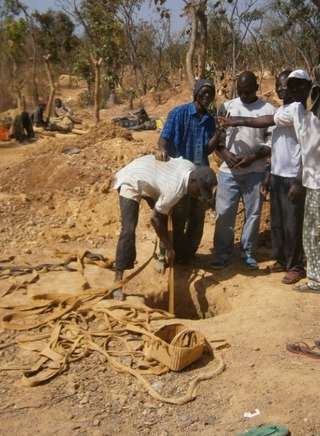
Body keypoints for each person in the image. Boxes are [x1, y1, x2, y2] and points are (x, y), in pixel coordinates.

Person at [218, 69, 320, 322]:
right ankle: (318, 281)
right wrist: (236, 122)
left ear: (310, 86)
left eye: (299, 86)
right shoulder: (296, 111)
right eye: (291, 87)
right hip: (310, 183)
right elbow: (266, 120)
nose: (294, 91)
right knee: (311, 236)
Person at [111, 155, 217, 300]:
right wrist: (169, 247)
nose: (198, 195)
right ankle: (118, 282)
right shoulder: (174, 190)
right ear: (193, 181)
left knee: (164, 214)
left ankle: (176, 257)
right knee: (128, 229)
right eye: (199, 190)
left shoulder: (191, 168)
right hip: (132, 179)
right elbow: (155, 218)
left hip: (152, 181)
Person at [154, 78, 223, 270]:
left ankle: (187, 256)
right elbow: (164, 137)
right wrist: (161, 150)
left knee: (196, 220)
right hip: (180, 177)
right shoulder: (179, 113)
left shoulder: (209, 119)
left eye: (211, 92)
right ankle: (164, 254)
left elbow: (208, 150)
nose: (207, 95)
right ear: (196, 91)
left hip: (200, 178)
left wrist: (218, 134)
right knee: (176, 217)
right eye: (204, 91)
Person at [211, 71, 275, 270]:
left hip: (255, 171)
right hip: (228, 172)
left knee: (253, 214)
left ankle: (247, 253)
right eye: (240, 91)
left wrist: (253, 158)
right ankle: (222, 252)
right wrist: (225, 154)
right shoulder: (227, 107)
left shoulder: (268, 109)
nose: (243, 95)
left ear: (257, 88)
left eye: (248, 92)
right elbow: (216, 137)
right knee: (223, 213)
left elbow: (272, 141)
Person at [261, 70, 306, 284]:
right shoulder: (282, 110)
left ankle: (296, 266)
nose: (280, 88)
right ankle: (281, 259)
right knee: (277, 223)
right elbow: (277, 148)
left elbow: (307, 149)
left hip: (292, 177)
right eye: (278, 84)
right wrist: (269, 174)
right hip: (278, 175)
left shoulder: (297, 110)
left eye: (284, 85)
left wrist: (299, 180)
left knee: (292, 224)